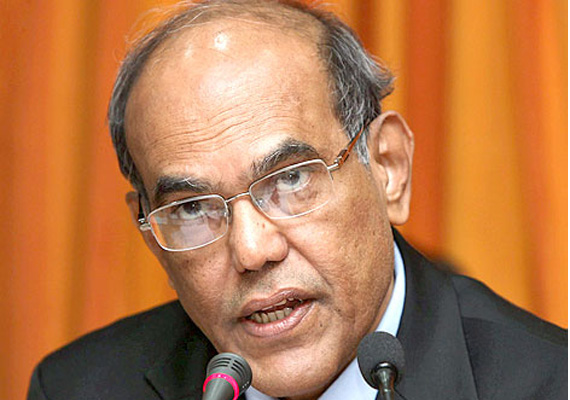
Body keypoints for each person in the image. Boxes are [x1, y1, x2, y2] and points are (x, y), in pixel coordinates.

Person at [27, 1, 567, 399]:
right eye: (192, 208)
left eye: (289, 180)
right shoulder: (78, 388)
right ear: (150, 236)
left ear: (389, 168)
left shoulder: (549, 384)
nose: (251, 250)